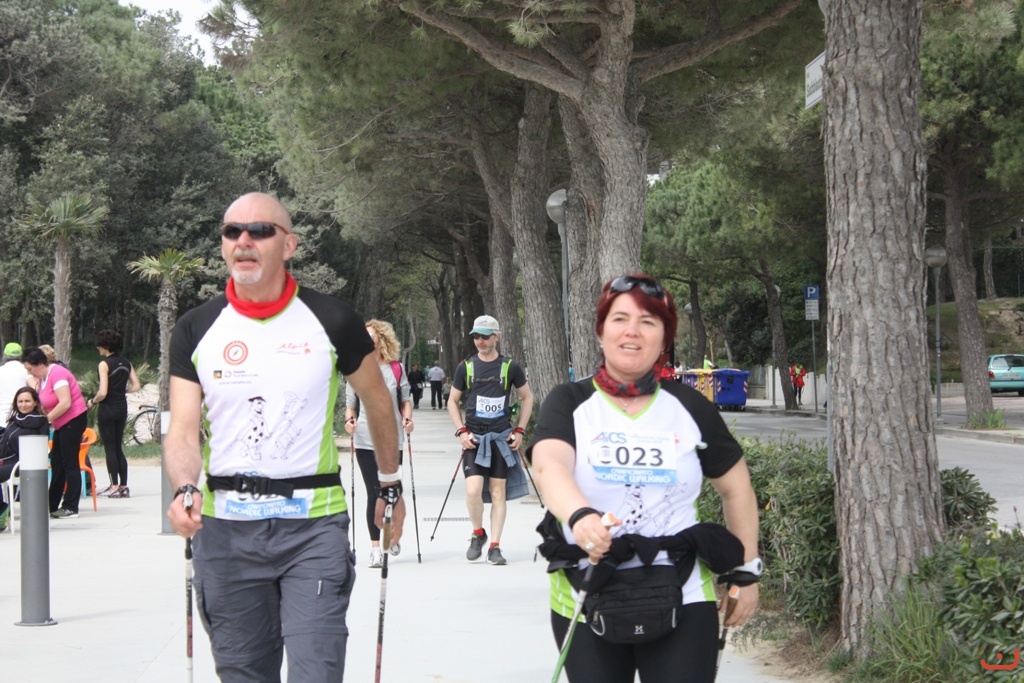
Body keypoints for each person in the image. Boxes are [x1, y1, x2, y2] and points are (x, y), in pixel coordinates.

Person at [164, 192, 405, 682]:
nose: (244, 240)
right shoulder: (197, 327)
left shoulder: (333, 319)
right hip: (226, 531)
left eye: (260, 231)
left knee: (317, 671)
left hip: (312, 528)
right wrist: (185, 487)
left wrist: (389, 484)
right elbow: (184, 430)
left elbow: (379, 402)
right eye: (232, 231)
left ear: (289, 244)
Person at [528, 274, 761, 683]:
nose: (632, 331)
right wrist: (581, 517)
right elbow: (549, 466)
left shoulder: (690, 406)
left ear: (664, 338)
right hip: (587, 587)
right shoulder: (570, 401)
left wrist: (745, 571)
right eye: (619, 319)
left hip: (681, 589)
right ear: (601, 331)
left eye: (648, 321)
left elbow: (736, 488)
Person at [447, 314, 534, 566]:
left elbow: (527, 397)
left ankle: (495, 546)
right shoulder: (466, 366)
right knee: (473, 490)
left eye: (485, 336)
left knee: (498, 492)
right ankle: (478, 533)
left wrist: (520, 430)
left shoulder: (510, 367)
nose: (480, 341)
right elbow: (452, 401)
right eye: (476, 336)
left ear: (497, 336)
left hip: (500, 438)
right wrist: (461, 431)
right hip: (475, 438)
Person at [344, 319, 414, 568]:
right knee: (374, 493)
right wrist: (349, 421)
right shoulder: (356, 369)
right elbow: (350, 405)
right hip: (365, 439)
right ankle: (375, 549)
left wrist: (408, 419)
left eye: (371, 336)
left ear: (381, 339)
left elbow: (405, 400)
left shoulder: (395, 368)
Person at [22, 346, 89, 519]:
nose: (29, 373)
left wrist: (46, 420)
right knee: (57, 462)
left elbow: (65, 402)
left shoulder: (57, 373)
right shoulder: (42, 378)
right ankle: (51, 504)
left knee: (69, 463)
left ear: (39, 364)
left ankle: (70, 506)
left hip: (73, 420)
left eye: (30, 368)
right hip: (61, 424)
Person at [87, 329, 141, 498]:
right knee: (118, 447)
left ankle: (113, 486)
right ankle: (124, 486)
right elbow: (136, 386)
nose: (97, 347)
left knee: (109, 448)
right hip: (121, 407)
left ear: (106, 346)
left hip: (107, 407)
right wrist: (123, 391)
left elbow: (102, 392)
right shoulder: (126, 362)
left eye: (99, 345)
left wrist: (92, 401)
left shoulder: (104, 364)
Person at [0, 386, 49, 530]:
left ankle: (2, 509)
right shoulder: (15, 420)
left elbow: (40, 447)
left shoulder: (39, 421)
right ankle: (2, 509)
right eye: (20, 401)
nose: (23, 405)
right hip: (8, 461)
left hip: (24, 463)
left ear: (35, 402)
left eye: (27, 401)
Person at [0, 342, 25, 411]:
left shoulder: (1, 370)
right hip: (22, 410)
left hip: (2, 411)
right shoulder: (28, 370)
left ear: (5, 356)